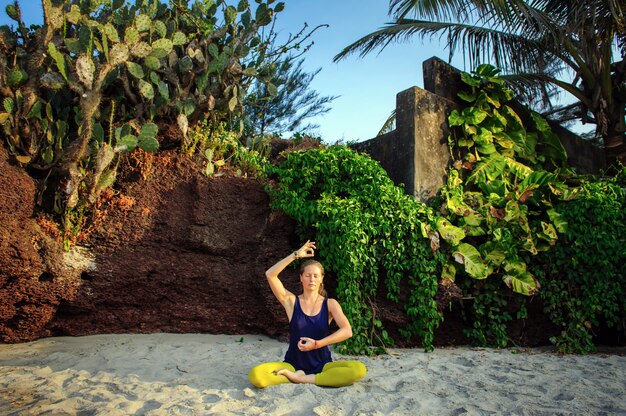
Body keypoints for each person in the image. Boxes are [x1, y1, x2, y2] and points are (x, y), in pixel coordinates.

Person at [248, 240, 367, 388]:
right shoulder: (291, 302)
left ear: (321, 279)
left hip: (322, 365)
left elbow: (347, 331)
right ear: (301, 278)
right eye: (308, 275)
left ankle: (300, 379)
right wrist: (296, 255)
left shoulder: (330, 304)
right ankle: (301, 376)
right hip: (293, 364)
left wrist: (317, 344)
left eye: (316, 276)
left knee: (359, 370)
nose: (312, 279)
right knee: (256, 376)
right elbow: (270, 274)